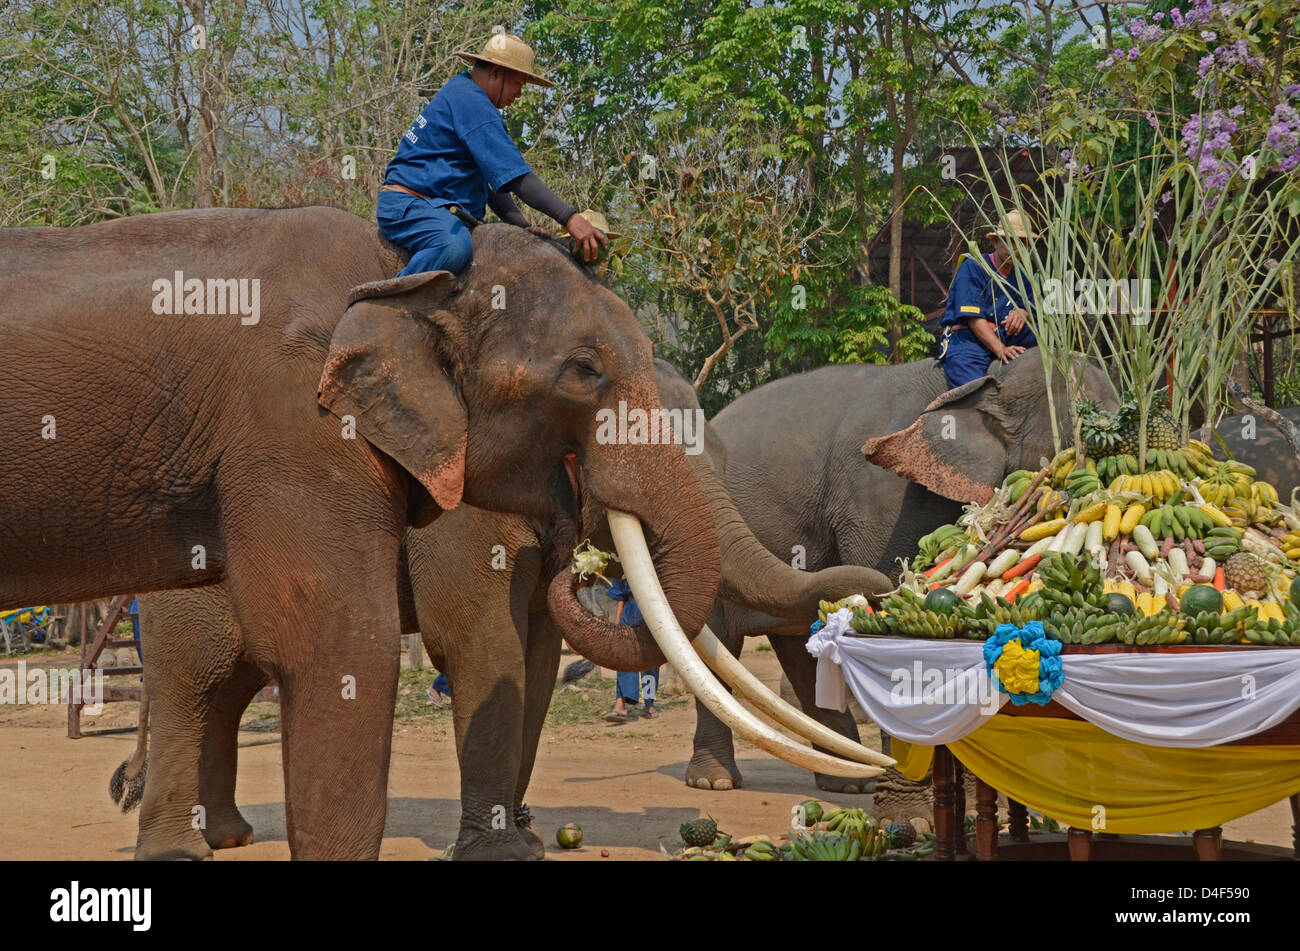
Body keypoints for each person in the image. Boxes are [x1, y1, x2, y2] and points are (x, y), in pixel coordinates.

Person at [377, 32, 606, 276]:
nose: (518, 94)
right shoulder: (472, 103)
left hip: (435, 208)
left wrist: (522, 227)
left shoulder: (464, 93)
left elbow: (494, 184)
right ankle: (388, 307)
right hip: (411, 205)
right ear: (497, 73)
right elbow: (519, 179)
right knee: (454, 247)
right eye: (519, 84)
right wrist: (570, 218)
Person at [937, 209, 1038, 389]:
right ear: (995, 241)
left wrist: (1023, 313)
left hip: (1007, 334)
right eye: (1009, 241)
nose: (1016, 248)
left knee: (1040, 331)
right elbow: (974, 318)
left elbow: (1033, 308)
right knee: (975, 390)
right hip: (970, 339)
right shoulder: (973, 268)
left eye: (1022, 243)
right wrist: (1000, 349)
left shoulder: (1024, 277)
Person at [602, 579, 660, 723]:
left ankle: (649, 704)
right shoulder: (622, 565)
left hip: (651, 610)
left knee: (650, 663)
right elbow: (621, 598)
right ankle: (620, 704)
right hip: (629, 613)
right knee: (625, 658)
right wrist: (617, 626)